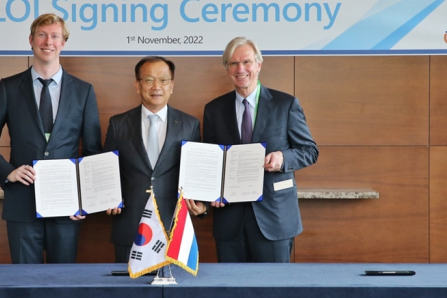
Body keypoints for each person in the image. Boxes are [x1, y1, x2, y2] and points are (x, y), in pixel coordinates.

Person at [0, 13, 102, 264]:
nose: (48, 41)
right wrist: (7, 172)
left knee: (62, 285)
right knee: (24, 284)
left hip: (67, 208)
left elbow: (93, 151)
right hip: (22, 204)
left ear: (63, 42)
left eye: (55, 36)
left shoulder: (83, 91)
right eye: (42, 35)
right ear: (31, 40)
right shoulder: (9, 87)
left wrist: (85, 200)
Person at [200, 37, 318, 263]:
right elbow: (211, 161)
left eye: (246, 62)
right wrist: (210, 193)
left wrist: (283, 158)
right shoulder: (214, 109)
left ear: (259, 65)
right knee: (230, 290)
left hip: (274, 219)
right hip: (229, 221)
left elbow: (310, 150)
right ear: (227, 69)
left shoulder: (285, 104)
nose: (240, 69)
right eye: (233, 64)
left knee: (273, 290)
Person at [104, 56, 202, 263]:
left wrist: (203, 205)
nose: (156, 86)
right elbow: (108, 173)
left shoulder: (190, 124)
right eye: (148, 79)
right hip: (130, 226)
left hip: (173, 227)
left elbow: (197, 173)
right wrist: (108, 197)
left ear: (172, 85)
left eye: (163, 80)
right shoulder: (117, 124)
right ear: (137, 85)